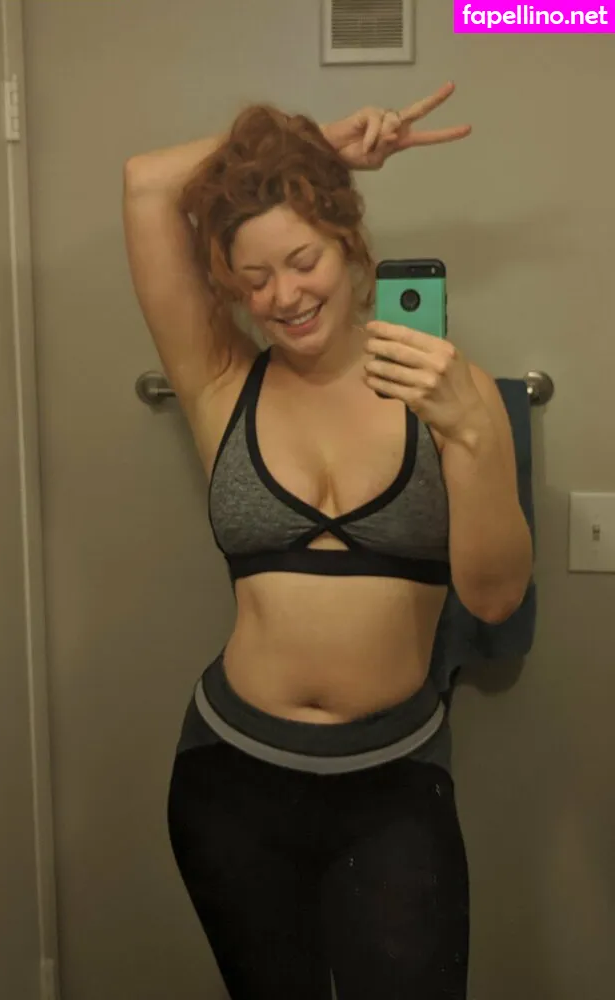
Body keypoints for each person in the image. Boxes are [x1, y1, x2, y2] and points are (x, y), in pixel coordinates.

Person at [123, 82, 533, 1000]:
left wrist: (471, 434)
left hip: (393, 785)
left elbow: (496, 596)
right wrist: (312, 148)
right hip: (228, 777)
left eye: (302, 259)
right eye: (255, 278)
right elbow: (147, 186)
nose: (284, 295)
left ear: (349, 243)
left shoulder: (447, 386)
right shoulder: (221, 379)